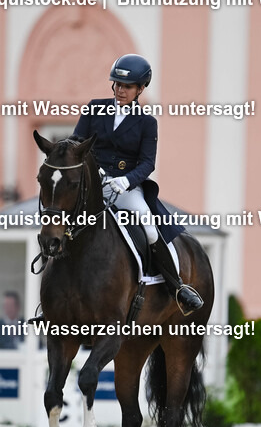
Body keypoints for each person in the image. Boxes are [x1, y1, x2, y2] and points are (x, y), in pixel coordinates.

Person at [72, 53, 203, 316]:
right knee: (61, 221)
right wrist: (91, 167)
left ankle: (176, 286)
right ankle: (53, 293)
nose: (121, 91)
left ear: (140, 89)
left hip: (124, 189)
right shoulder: (94, 109)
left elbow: (147, 163)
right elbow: (76, 141)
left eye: (128, 87)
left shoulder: (146, 123)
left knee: (148, 225)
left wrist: (126, 180)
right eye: (118, 85)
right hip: (93, 183)